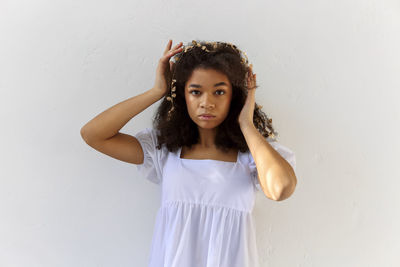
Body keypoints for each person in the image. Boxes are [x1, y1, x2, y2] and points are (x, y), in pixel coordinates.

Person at [80, 39, 297, 267]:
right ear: (183, 95)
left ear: (234, 96)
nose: (207, 103)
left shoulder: (251, 156)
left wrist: (247, 125)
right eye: (196, 92)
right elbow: (93, 134)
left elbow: (281, 188)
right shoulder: (165, 151)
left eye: (219, 92)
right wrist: (157, 91)